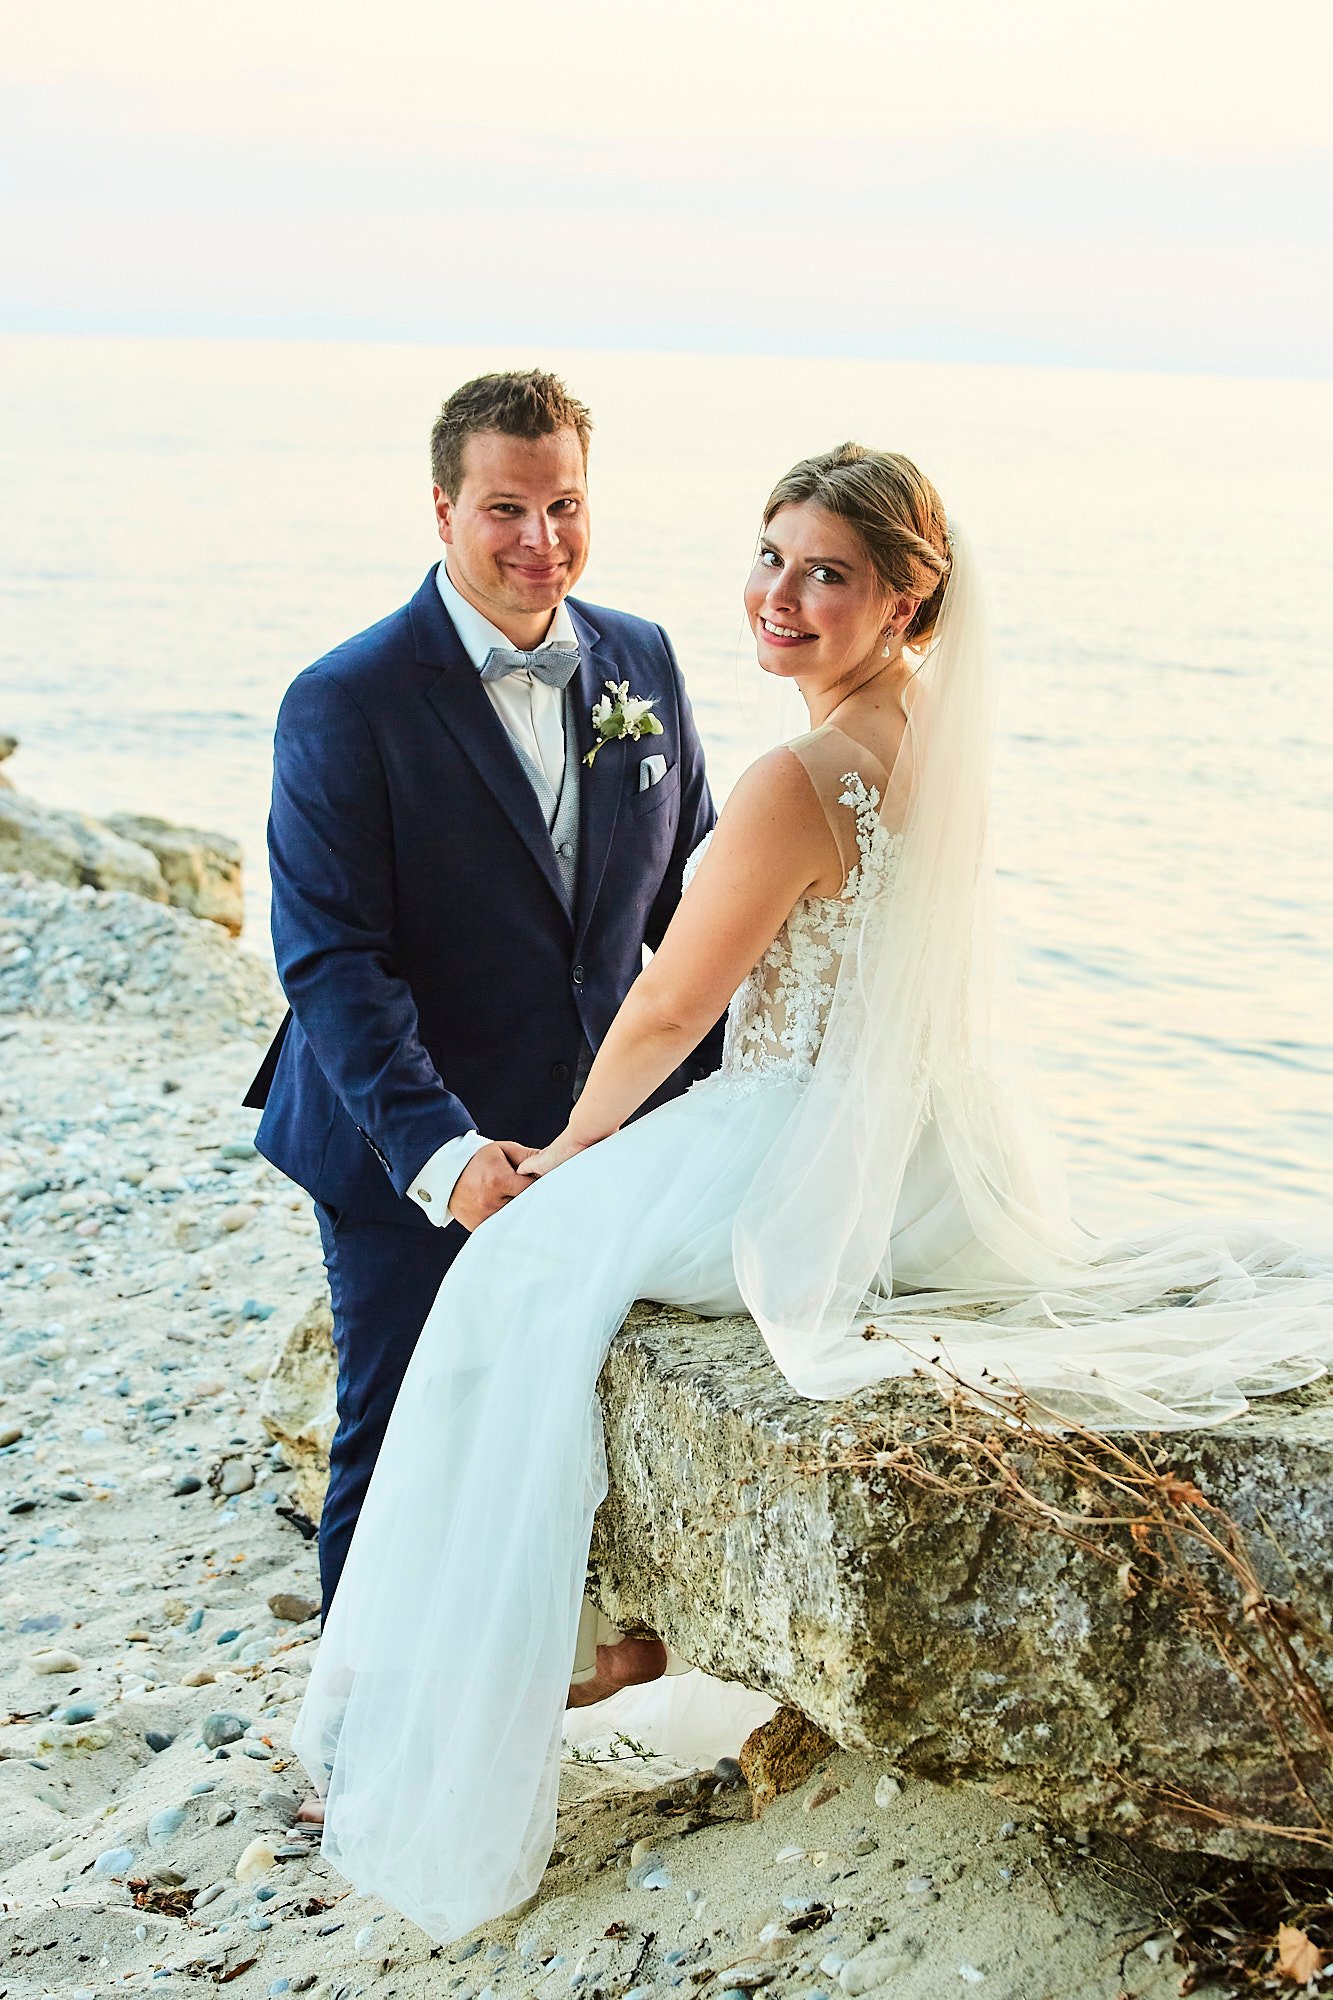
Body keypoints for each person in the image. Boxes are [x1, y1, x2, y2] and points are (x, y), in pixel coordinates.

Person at [292, 443, 1333, 1943]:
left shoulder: (796, 777)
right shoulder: (929, 742)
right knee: (538, 1292)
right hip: (921, 1151)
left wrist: (566, 1165)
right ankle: (586, 1638)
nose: (779, 595)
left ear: (907, 599)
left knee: (512, 1284)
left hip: (790, 1138)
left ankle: (511, 1674)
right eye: (770, 557)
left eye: (826, 573)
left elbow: (663, 1013)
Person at [243, 369, 724, 1812]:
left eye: (564, 504)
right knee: (395, 1431)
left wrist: (704, 1122)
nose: (540, 540)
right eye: (505, 508)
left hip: (598, 1139)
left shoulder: (640, 658)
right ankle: (358, 1741)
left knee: (560, 1425)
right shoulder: (345, 698)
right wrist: (446, 1156)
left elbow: (681, 922)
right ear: (441, 507)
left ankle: (542, 1691)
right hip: (406, 1139)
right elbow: (333, 960)